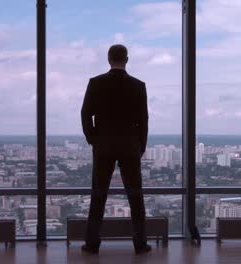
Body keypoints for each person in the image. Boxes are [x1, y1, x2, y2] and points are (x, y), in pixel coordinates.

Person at [80, 44, 150, 255]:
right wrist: (141, 146)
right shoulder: (138, 86)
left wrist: (93, 139)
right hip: (130, 146)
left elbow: (85, 114)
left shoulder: (96, 83)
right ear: (126, 60)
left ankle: (92, 244)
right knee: (135, 196)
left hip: (103, 146)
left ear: (108, 59)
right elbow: (143, 120)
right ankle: (140, 243)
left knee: (98, 196)